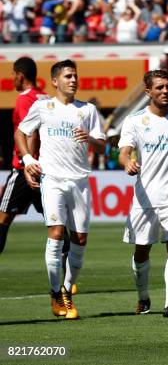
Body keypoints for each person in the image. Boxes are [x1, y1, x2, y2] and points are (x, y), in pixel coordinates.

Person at [15, 60, 106, 319]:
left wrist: (89, 138)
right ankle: (56, 293)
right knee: (56, 233)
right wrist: (28, 160)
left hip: (79, 182)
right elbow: (21, 133)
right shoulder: (43, 107)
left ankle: (67, 289)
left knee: (80, 240)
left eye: (75, 76)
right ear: (55, 81)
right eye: (67, 76)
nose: (73, 80)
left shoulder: (87, 110)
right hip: (53, 179)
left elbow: (103, 146)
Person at [118, 69, 168, 319]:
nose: (165, 91)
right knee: (142, 250)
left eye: (167, 86)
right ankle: (143, 296)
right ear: (148, 91)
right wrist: (128, 162)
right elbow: (124, 151)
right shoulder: (135, 121)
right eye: (159, 87)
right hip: (146, 196)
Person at [0, 58, 48, 254]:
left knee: (2, 219)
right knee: (55, 222)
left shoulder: (24, 99)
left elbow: (31, 132)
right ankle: (68, 276)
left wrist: (27, 162)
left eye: (13, 74)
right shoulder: (44, 98)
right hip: (44, 169)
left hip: (24, 170)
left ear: (20, 75)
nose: (12, 78)